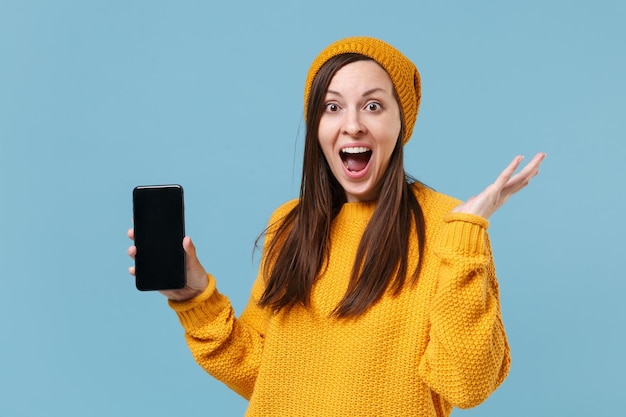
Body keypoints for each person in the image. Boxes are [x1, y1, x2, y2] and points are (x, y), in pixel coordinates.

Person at [127, 36, 545, 416]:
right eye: (332, 106)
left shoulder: (451, 227)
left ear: (403, 123)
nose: (352, 124)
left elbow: (467, 384)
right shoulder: (290, 225)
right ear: (317, 126)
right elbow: (261, 375)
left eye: (373, 105)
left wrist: (465, 234)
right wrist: (196, 298)